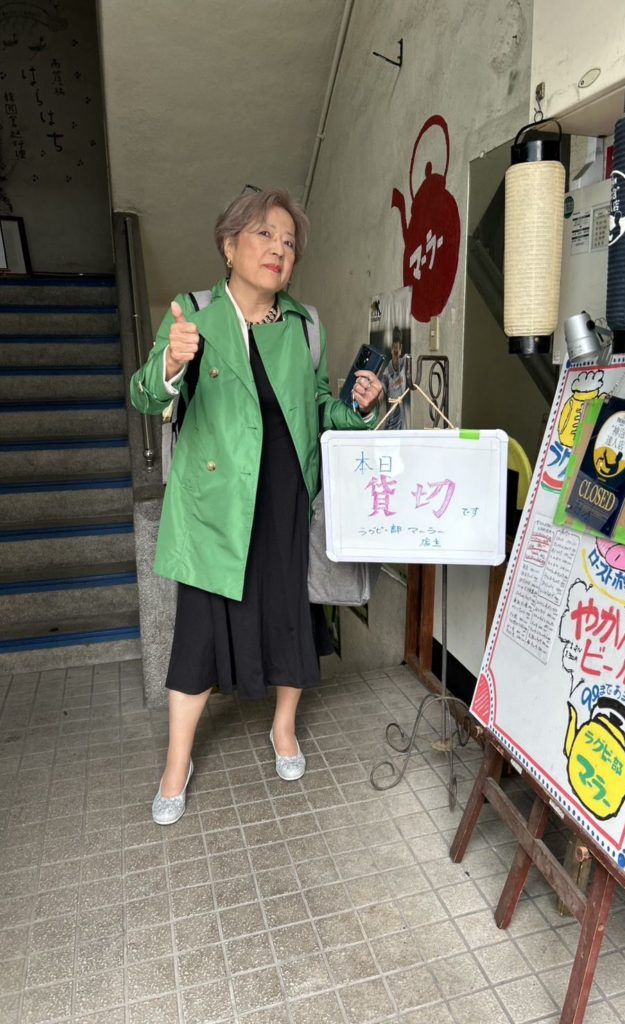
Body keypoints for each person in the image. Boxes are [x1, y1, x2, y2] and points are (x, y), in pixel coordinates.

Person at [130, 188, 384, 825]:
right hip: (215, 504)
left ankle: (283, 727)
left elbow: (318, 407)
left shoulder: (305, 325)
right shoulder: (193, 314)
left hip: (283, 497)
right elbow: (144, 394)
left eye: (289, 242)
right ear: (229, 245)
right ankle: (177, 762)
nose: (279, 249)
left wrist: (356, 407)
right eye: (265, 235)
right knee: (198, 633)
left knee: (290, 616)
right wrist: (170, 363)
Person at [380, 327, 411, 429]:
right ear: (391, 350)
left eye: (398, 352)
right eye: (395, 353)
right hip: (391, 414)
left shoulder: (406, 363)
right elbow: (381, 392)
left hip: (403, 415)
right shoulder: (386, 372)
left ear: (401, 349)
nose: (397, 358)